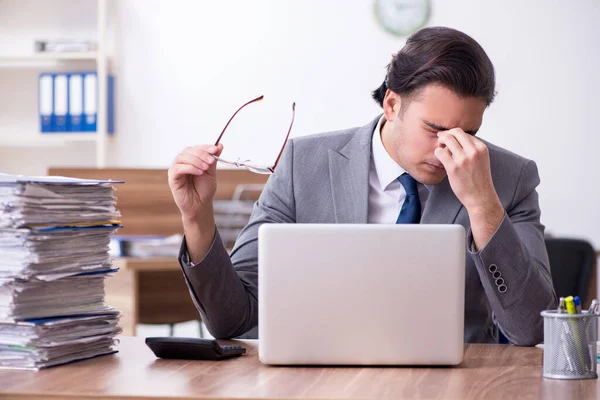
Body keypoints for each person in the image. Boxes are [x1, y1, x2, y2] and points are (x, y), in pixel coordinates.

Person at [168, 26, 557, 345]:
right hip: (322, 381)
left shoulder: (508, 178)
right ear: (392, 104)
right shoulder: (303, 165)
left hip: (457, 383)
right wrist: (197, 218)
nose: (448, 150)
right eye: (434, 129)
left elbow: (531, 328)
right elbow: (233, 320)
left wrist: (484, 206)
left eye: (468, 132)